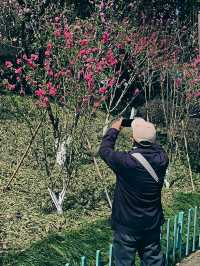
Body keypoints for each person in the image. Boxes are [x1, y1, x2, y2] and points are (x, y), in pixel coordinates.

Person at [99, 117, 169, 266]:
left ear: (132, 139)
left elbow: (104, 150)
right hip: (152, 223)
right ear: (154, 141)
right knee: (153, 261)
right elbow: (156, 147)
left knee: (124, 262)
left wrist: (114, 129)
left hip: (127, 226)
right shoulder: (162, 159)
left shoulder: (126, 162)